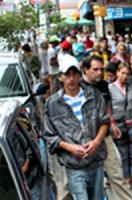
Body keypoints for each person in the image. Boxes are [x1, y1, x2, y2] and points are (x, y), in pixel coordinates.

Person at [43, 56, 109, 200]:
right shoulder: (52, 104)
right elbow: (50, 136)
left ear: (80, 75)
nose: (71, 78)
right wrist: (70, 148)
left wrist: (96, 142)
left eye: (74, 74)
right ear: (61, 77)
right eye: (67, 74)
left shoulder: (93, 95)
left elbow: (104, 121)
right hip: (74, 165)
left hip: (96, 160)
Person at [80, 56, 132, 200]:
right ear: (86, 70)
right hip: (85, 141)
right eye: (95, 69)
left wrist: (112, 123)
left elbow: (107, 107)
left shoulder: (104, 85)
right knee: (81, 181)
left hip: (105, 137)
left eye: (102, 69)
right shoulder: (78, 88)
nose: (100, 73)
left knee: (116, 174)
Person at [109, 63, 132, 189]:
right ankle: (126, 176)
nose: (125, 76)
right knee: (124, 153)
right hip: (119, 123)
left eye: (127, 74)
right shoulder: (110, 88)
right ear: (117, 72)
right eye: (123, 73)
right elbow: (107, 107)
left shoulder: (131, 85)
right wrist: (112, 122)